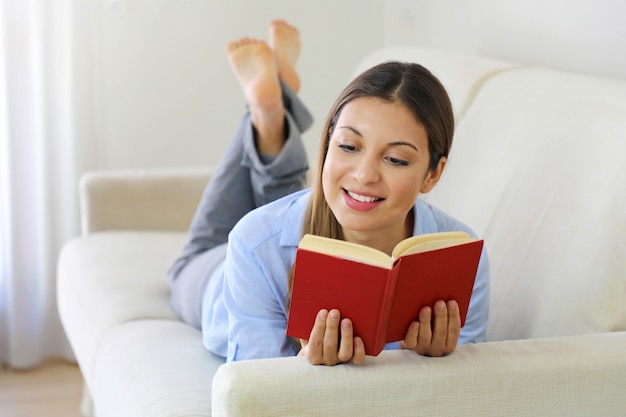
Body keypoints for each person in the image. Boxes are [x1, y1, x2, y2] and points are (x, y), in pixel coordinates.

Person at [168, 20, 490, 366]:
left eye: (395, 159)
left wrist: (435, 364)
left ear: (433, 173)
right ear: (326, 144)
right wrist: (308, 370)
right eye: (349, 146)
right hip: (222, 273)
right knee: (188, 265)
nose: (365, 174)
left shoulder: (459, 261)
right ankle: (265, 110)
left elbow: (466, 390)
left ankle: (273, 105)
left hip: (305, 215)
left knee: (302, 199)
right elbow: (255, 393)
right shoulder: (253, 243)